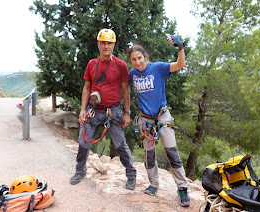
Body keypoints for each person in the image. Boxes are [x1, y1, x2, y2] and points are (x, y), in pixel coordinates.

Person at [127, 35, 190, 207]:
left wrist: (180, 47)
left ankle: (182, 188)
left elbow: (180, 65)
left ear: (145, 57)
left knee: (172, 153)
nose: (137, 62)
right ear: (131, 61)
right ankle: (153, 184)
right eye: (133, 59)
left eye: (139, 58)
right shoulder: (132, 74)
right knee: (149, 155)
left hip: (162, 116)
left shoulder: (158, 68)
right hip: (145, 119)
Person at [70, 28, 137, 190]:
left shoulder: (120, 65)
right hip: (93, 110)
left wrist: (127, 113)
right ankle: (80, 171)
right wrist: (82, 109)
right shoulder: (92, 64)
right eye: (103, 43)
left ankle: (131, 175)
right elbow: (87, 88)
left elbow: (125, 90)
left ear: (113, 44)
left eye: (109, 43)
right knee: (83, 143)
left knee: (120, 145)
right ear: (98, 44)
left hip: (113, 111)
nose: (106, 46)